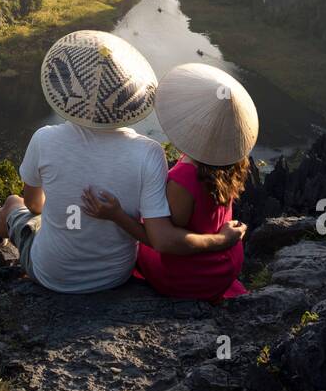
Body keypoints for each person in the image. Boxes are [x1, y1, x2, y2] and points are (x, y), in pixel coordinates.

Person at [0, 31, 245, 294]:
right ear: (127, 98)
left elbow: (34, 204)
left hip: (51, 274)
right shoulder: (149, 153)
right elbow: (159, 233)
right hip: (116, 276)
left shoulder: (45, 139)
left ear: (72, 94)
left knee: (15, 203)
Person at [81, 63, 258, 301]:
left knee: (140, 235)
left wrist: (117, 215)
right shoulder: (231, 161)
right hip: (227, 263)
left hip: (192, 275)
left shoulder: (183, 178)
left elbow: (164, 242)